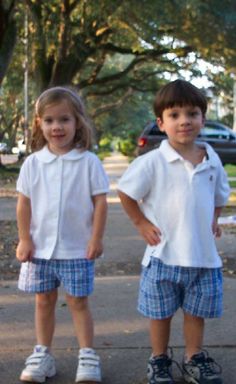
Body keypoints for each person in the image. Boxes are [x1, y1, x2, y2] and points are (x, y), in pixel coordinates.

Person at [118, 79, 230, 384]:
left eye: (192, 113)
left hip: (203, 258)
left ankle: (194, 357)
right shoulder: (153, 161)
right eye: (175, 115)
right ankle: (160, 359)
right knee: (161, 313)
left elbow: (220, 195)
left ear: (203, 119)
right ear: (161, 122)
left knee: (196, 313)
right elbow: (126, 193)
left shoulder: (211, 158)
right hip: (163, 255)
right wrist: (141, 223)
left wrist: (214, 219)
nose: (184, 121)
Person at [16, 86, 109, 383]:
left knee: (78, 302)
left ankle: (88, 356)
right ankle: (43, 354)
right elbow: (24, 204)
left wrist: (95, 238)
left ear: (77, 122)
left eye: (64, 120)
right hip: (40, 249)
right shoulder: (33, 163)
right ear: (39, 124)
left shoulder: (88, 162)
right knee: (43, 301)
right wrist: (25, 238)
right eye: (50, 120)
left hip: (76, 249)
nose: (57, 127)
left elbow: (100, 202)